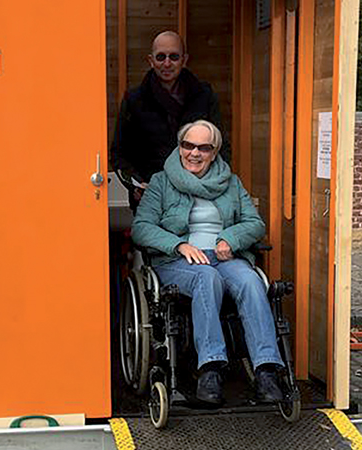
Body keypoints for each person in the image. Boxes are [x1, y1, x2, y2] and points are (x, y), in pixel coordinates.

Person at [131, 119, 284, 406]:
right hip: (178, 261)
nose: (194, 153)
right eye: (188, 145)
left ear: (214, 153)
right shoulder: (161, 182)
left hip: (225, 257)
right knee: (206, 277)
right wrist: (178, 244)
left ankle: (266, 371)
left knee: (252, 281)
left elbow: (255, 224)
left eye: (203, 147)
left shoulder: (231, 182)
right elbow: (141, 228)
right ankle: (210, 369)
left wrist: (230, 239)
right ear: (179, 147)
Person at [110, 31, 228, 207]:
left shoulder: (204, 95)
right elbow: (119, 154)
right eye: (160, 57)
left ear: (184, 59)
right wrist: (136, 184)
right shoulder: (134, 100)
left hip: (199, 196)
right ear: (151, 60)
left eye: (174, 57)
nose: (167, 63)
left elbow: (221, 146)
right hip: (150, 196)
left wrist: (214, 184)